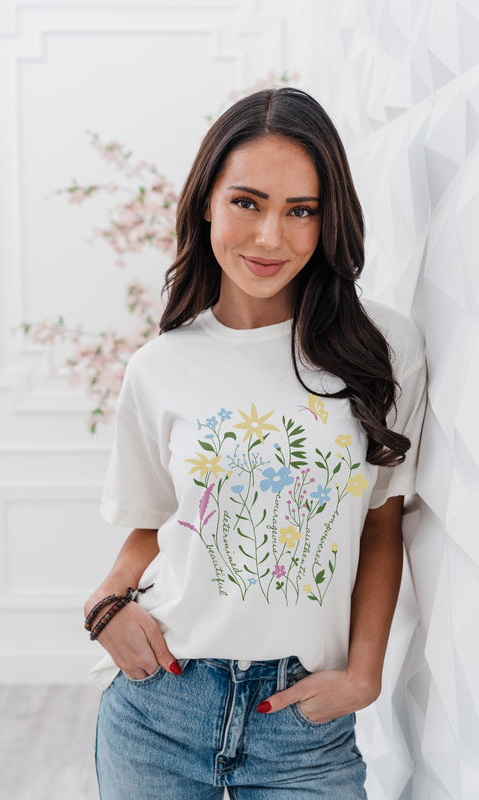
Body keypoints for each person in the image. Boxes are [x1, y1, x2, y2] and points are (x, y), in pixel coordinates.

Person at [85, 87, 427, 799]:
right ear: (207, 203)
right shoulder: (160, 366)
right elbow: (155, 525)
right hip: (159, 706)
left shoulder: (383, 348)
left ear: (328, 220)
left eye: (301, 210)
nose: (271, 237)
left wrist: (363, 677)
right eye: (247, 202)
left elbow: (381, 525)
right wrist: (104, 605)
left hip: (302, 724)